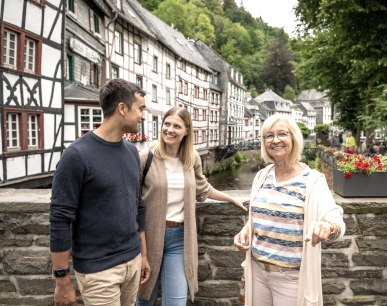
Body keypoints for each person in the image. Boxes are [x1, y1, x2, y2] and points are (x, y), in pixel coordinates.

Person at [50, 78, 150, 306]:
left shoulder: (132, 152)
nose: (143, 116)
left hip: (132, 263)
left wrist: (142, 256)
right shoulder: (76, 156)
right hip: (99, 272)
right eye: (141, 109)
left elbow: (137, 206)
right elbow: (59, 220)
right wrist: (62, 281)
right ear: (122, 108)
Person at [136, 107, 247, 306]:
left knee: (176, 301)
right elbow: (132, 198)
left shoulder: (191, 157)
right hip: (149, 236)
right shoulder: (147, 157)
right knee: (145, 298)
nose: (170, 130)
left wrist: (231, 199)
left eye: (176, 126)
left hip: (179, 238)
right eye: (166, 124)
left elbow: (203, 189)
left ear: (187, 131)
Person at [233, 114, 345, 306]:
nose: (275, 140)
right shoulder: (262, 175)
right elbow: (258, 215)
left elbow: (336, 219)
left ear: (294, 138)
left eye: (282, 134)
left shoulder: (312, 180)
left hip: (291, 278)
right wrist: (246, 229)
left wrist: (327, 227)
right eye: (269, 136)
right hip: (257, 272)